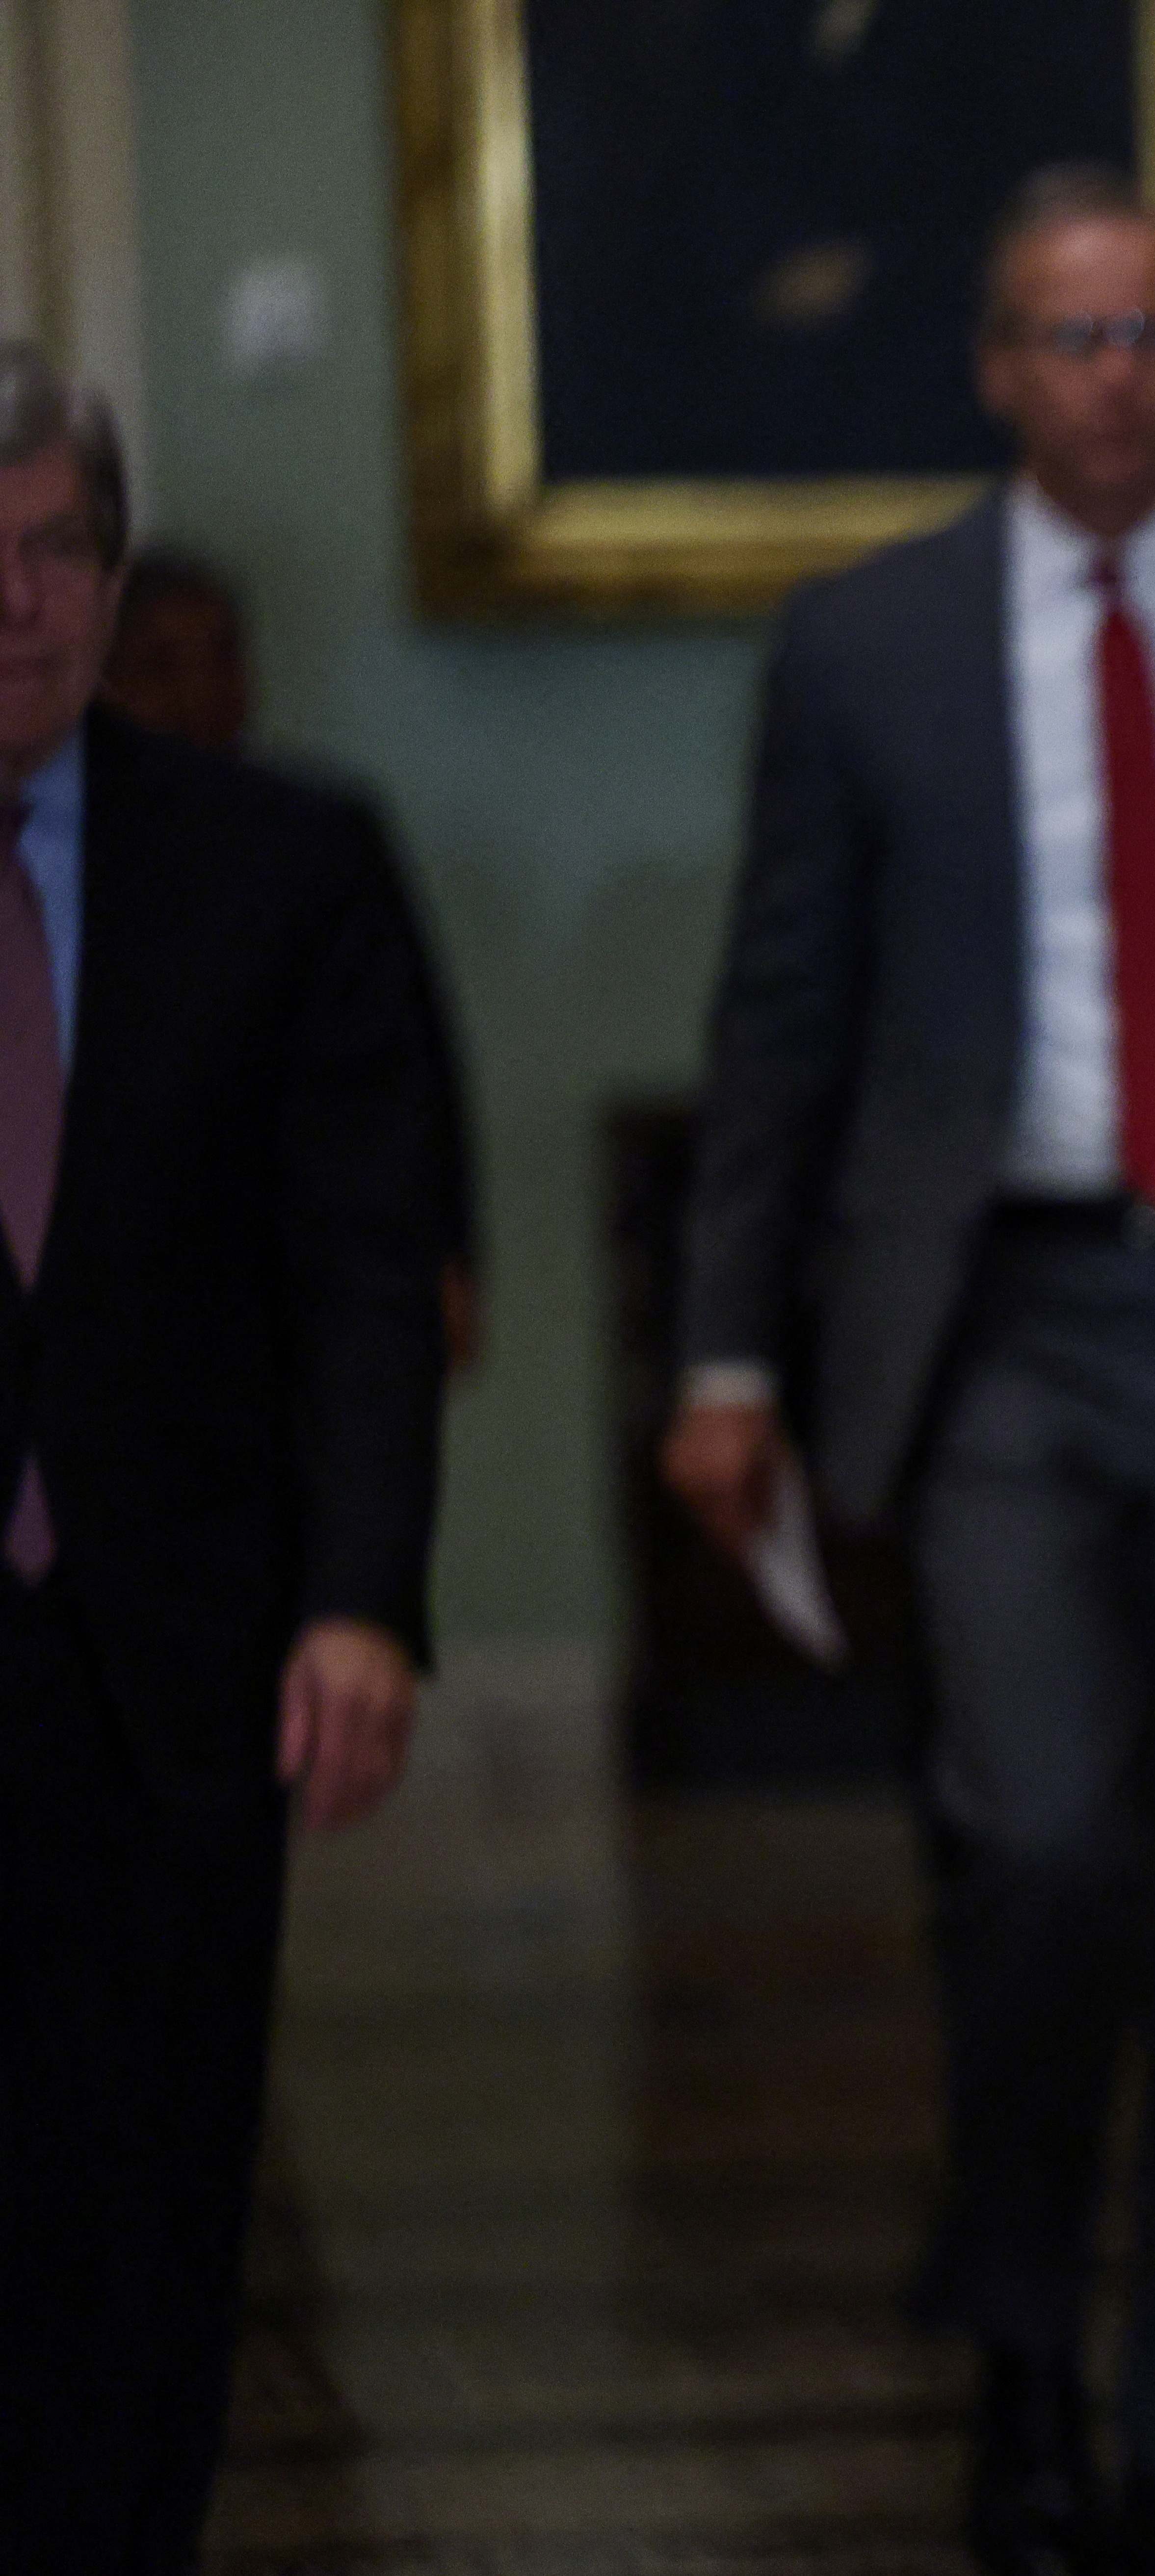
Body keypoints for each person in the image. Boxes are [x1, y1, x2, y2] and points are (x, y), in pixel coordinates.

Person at [663, 167, 1155, 2576]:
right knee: (1039, 1843)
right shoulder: (865, 643)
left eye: (1146, 335)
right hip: (992, 1311)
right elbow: (779, 1013)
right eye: (1061, 338)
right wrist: (721, 1345)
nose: (1109, 378)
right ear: (994, 370)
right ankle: (1016, 2329)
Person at [0, 345, 456, 2564]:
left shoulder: (277, 864)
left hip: (168, 1648)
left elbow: (369, 1267)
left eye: (52, 549)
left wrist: (363, 1595)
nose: (17, 606)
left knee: (151, 2210)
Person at [103, 545, 487, 1372]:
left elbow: (414, 1064)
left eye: (224, 656)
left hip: (308, 1257)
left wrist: (448, 1251)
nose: (200, 693)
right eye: (162, 665)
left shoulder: (321, 840)